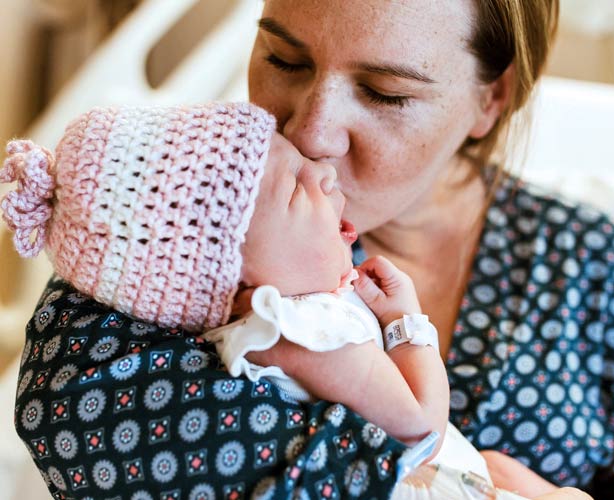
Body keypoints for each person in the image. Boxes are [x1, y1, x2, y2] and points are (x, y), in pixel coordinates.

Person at [10, 0, 614, 499]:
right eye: (283, 57)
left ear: (491, 99)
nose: (313, 133)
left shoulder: (594, 266)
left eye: (384, 93)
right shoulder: (164, 232)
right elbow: (71, 413)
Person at [2, 100, 497, 495]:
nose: (324, 172)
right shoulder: (305, 333)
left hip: (456, 470)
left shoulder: (298, 312)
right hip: (426, 481)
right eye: (297, 190)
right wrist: (407, 323)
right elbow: (422, 433)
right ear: (245, 288)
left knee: (501, 467)